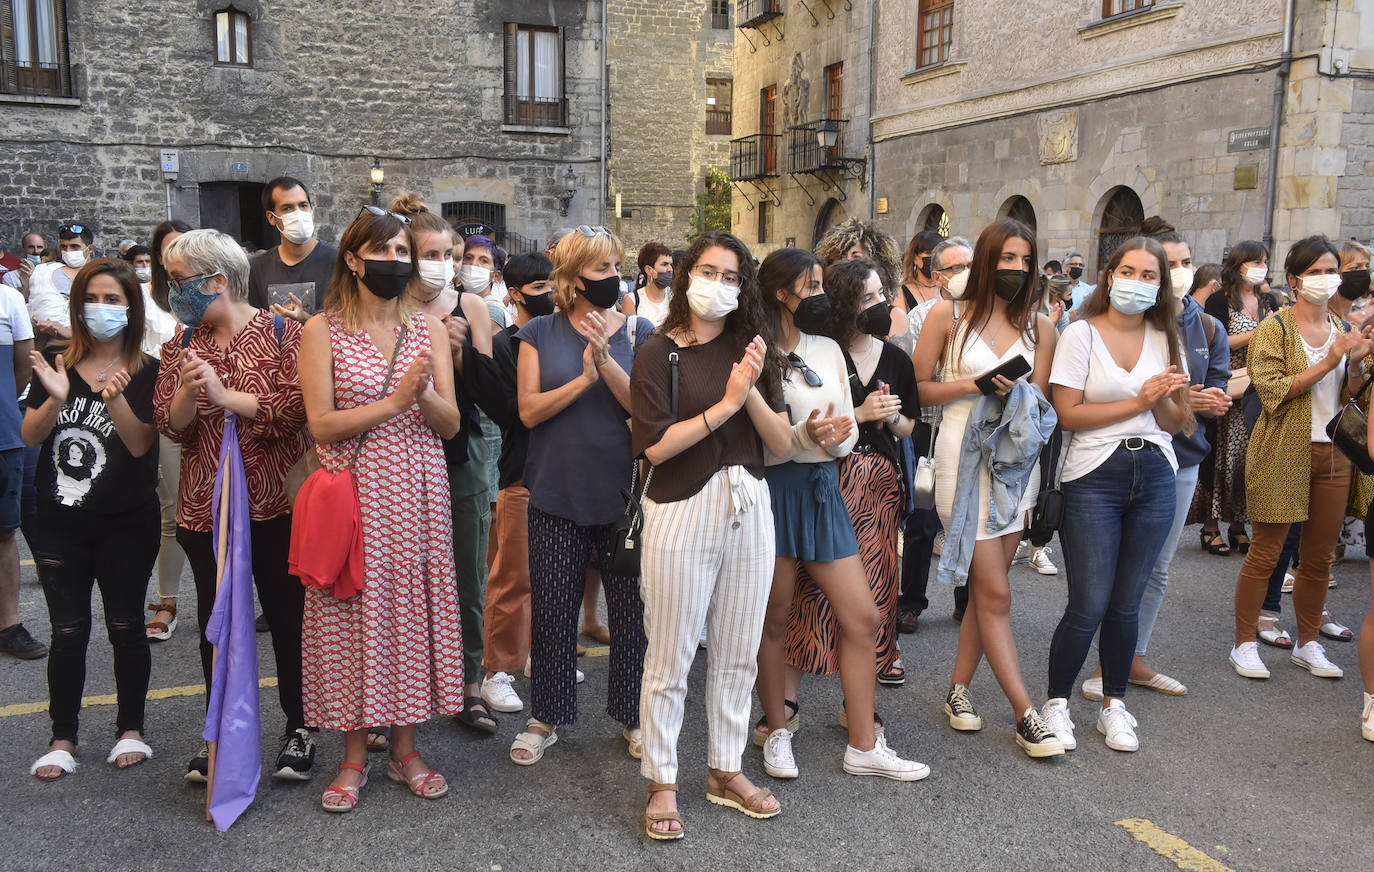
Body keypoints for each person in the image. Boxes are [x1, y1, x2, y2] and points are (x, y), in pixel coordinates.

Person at [297, 205, 464, 813]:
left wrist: (422, 396)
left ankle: (405, 749)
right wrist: (395, 402)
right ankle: (349, 756)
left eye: (403, 252)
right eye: (383, 252)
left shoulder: (427, 327)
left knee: (410, 615)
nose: (395, 262)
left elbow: (449, 424)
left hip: (419, 492)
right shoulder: (322, 330)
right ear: (353, 259)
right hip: (355, 492)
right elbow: (320, 423)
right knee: (350, 618)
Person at [631, 231, 793, 838]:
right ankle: (662, 778)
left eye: (731, 276)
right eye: (707, 270)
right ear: (683, 275)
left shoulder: (753, 348)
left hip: (749, 502)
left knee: (737, 649)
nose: (718, 284)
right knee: (670, 653)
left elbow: (779, 445)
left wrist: (746, 388)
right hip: (680, 505)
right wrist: (723, 405)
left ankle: (725, 769)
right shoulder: (657, 353)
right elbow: (653, 448)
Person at [755, 246, 927, 782]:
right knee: (776, 618)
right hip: (778, 490)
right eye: (809, 287)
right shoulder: (755, 353)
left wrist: (836, 435)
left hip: (825, 486)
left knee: (864, 617)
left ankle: (863, 745)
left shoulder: (828, 348)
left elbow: (849, 430)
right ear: (782, 295)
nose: (820, 297)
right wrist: (812, 434)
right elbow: (760, 444)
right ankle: (778, 730)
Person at [153, 229, 314, 783]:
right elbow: (169, 427)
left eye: (179, 281)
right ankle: (219, 729)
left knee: (289, 617)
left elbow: (295, 411)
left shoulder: (283, 333)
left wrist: (225, 398)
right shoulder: (178, 344)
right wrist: (186, 393)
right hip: (205, 509)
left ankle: (300, 725)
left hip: (274, 505)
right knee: (217, 622)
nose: (172, 292)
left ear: (215, 281)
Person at [911, 217, 1064, 758]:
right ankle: (1026, 714)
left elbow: (1042, 405)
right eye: (1006, 259)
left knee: (987, 590)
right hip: (960, 460)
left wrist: (1015, 394)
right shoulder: (948, 315)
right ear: (985, 261)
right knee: (996, 591)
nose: (1017, 270)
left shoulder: (1041, 327)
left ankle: (957, 690)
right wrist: (973, 386)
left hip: (1016, 470)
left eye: (1025, 260)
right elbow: (918, 388)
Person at [1039, 237, 1193, 754]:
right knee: (1088, 602)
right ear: (1109, 276)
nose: (1137, 281)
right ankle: (1056, 703)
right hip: (1094, 474)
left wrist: (1170, 399)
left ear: (1160, 285)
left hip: (1155, 471)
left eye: (1149, 275)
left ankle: (1114, 704)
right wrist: (1139, 400)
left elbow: (1175, 422)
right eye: (1128, 270)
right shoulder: (1080, 333)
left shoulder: (1164, 333)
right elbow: (1069, 414)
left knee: (1127, 603)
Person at [509, 226, 649, 766]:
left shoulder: (638, 331)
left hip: (624, 495)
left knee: (631, 614)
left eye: (617, 267)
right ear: (570, 279)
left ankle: (634, 715)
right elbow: (528, 411)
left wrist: (607, 363)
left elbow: (645, 407)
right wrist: (583, 379)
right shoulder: (539, 333)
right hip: (555, 489)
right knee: (553, 609)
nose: (613, 278)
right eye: (601, 270)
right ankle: (545, 716)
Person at [1081, 218, 1232, 700]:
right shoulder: (1095, 326)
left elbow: (1202, 392)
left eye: (1183, 264)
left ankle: (1133, 659)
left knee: (1156, 567)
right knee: (1110, 576)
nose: (1176, 273)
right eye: (1168, 265)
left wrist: (1202, 402)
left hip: (1177, 460)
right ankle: (1107, 669)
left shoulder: (1204, 324)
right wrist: (1157, 401)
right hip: (1109, 462)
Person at [23, 258, 159, 780]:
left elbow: (141, 441)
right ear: (78, 306)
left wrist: (118, 398)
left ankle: (131, 728)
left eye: (113, 299)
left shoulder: (147, 368)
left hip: (127, 519)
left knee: (126, 625)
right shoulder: (57, 362)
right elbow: (32, 435)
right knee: (67, 628)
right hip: (60, 518)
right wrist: (56, 401)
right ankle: (63, 736)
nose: (101, 309)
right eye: (92, 298)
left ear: (131, 307)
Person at [1230, 234, 1371, 681]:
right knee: (1266, 551)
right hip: (1283, 449)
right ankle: (1245, 642)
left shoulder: (1344, 330)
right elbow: (1272, 390)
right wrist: (1331, 360)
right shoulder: (1276, 327)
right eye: (1316, 272)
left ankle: (1308, 642)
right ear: (1294, 279)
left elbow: (1351, 395)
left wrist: (1353, 365)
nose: (1327, 279)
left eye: (1333, 271)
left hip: (1335, 454)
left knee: (1318, 556)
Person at [390, 192, 499, 736]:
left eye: (451, 256)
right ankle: (397, 691)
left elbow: (495, 396)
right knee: (400, 578)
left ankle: (469, 684)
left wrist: (459, 355)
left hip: (462, 454)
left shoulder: (469, 308)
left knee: (468, 573)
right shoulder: (388, 310)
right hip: (400, 456)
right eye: (431, 254)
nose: (446, 267)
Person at [784, 258, 917, 693]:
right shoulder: (822, 351)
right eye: (869, 298)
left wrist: (891, 416)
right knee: (813, 589)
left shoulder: (895, 358)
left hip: (878, 479)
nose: (881, 305)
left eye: (882, 294)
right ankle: (792, 692)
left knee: (879, 577)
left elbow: (908, 427)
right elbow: (818, 422)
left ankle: (876, 664)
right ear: (845, 305)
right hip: (831, 474)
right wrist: (860, 413)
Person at [471, 252, 554, 716]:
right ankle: (497, 670)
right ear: (515, 294)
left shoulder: (563, 337)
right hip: (523, 469)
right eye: (540, 286)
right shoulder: (506, 346)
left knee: (553, 573)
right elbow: (509, 413)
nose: (551, 294)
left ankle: (540, 655)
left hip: (562, 469)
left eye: (553, 284)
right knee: (513, 575)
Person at [899, 236, 973, 633]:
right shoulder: (924, 315)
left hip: (975, 432)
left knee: (968, 517)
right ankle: (911, 602)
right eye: (956, 267)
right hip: (932, 428)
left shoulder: (991, 314)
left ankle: (967, 602)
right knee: (923, 519)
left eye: (970, 265)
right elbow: (916, 375)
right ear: (939, 274)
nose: (965, 274)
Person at [1193, 242, 1277, 557]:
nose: (1261, 266)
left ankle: (1239, 525)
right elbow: (1217, 339)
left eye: (1265, 261)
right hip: (1228, 386)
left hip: (1258, 388)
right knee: (1220, 456)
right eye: (1255, 261)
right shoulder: (1220, 299)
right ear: (1240, 264)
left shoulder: (1267, 299)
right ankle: (1211, 525)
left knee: (1247, 458)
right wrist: (1259, 333)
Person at [141, 220, 192, 640]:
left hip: (213, 413)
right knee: (172, 510)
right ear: (158, 256)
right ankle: (167, 601)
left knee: (232, 509)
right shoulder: (146, 299)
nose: (176, 253)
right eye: (168, 248)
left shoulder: (210, 294)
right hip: (167, 414)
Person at [0, 257, 37, 660]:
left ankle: (8, 625)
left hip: (3, 435)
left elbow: (21, 369)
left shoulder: (9, 300)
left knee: (4, 533)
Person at [249, 176, 338, 320]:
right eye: (287, 208)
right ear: (271, 217)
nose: (298, 213)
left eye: (303, 205)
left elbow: (344, 329)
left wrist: (304, 319)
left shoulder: (337, 261)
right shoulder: (256, 268)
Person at [815, 218, 910, 353]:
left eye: (856, 257)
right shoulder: (822, 314)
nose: (847, 262)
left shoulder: (893, 316)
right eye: (838, 257)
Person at [30, 223, 97, 344]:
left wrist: (67, 331)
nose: (68, 251)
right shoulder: (45, 272)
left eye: (74, 247)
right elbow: (42, 314)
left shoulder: (101, 277)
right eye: (64, 247)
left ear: (90, 249)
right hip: (51, 348)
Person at [631, 241, 674, 327]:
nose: (670, 269)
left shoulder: (674, 297)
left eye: (671, 264)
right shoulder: (633, 300)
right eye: (664, 264)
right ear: (649, 270)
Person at [3, 232, 47, 296]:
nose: (36, 251)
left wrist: (34, 278)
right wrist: (25, 288)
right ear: (23, 250)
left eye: (39, 247)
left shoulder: (51, 273)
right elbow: (12, 304)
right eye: (31, 247)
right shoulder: (9, 277)